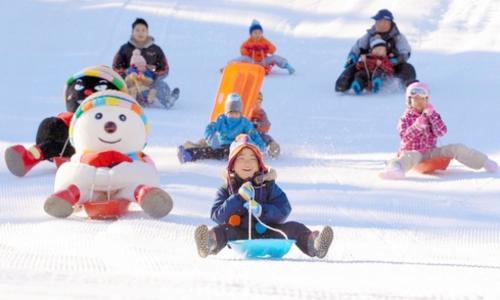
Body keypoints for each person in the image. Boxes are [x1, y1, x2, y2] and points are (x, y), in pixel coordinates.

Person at [194, 134, 334, 258]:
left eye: (252, 159)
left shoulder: (267, 186)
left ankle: (314, 244)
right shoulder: (227, 188)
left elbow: (284, 209)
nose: (247, 163)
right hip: (239, 233)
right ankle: (208, 243)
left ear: (259, 165)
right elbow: (217, 215)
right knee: (222, 231)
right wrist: (238, 198)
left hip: (269, 231)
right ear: (232, 166)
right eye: (241, 158)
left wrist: (262, 210)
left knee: (295, 227)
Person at [379, 82, 498, 179]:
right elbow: (404, 137)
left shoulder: (433, 114)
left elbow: (441, 132)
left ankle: (484, 162)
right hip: (413, 152)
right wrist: (417, 126)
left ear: (427, 100)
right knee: (411, 156)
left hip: (431, 152)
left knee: (457, 148)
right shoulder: (405, 117)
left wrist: (432, 117)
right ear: (409, 101)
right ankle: (395, 168)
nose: (419, 102)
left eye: (422, 99)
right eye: (416, 99)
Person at [335, 9, 417, 93]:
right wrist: (352, 56)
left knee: (407, 67)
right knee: (354, 67)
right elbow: (358, 46)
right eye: (377, 21)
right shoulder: (370, 35)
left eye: (379, 21)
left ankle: (408, 83)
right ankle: (343, 83)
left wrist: (396, 60)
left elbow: (405, 52)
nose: (377, 24)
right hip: (369, 63)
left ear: (387, 23)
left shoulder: (397, 37)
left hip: (392, 64)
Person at [177, 93, 265, 163]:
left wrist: (260, 148)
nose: (233, 116)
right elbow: (210, 127)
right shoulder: (222, 119)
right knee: (208, 150)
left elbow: (254, 135)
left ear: (240, 112)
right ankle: (188, 154)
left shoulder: (244, 122)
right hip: (220, 145)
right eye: (231, 113)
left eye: (236, 113)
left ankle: (190, 152)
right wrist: (210, 137)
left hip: (236, 148)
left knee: (218, 152)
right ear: (226, 112)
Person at [112, 18, 179, 108]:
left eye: (143, 30)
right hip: (131, 80)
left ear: (147, 32)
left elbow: (164, 68)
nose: (140, 33)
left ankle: (167, 100)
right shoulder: (124, 49)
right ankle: (122, 101)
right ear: (132, 32)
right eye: (137, 30)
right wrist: (127, 72)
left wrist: (150, 70)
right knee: (119, 84)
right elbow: (116, 66)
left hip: (149, 81)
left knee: (159, 84)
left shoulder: (155, 50)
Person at [229, 20, 295, 75]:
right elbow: (242, 49)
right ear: (251, 34)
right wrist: (248, 49)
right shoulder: (248, 42)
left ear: (262, 33)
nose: (257, 35)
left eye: (259, 33)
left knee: (275, 57)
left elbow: (273, 48)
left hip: (263, 60)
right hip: (252, 61)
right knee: (242, 58)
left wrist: (267, 48)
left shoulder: (264, 41)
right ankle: (229, 66)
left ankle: (286, 65)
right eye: (255, 33)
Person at [250, 92, 280, 157]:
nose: (257, 104)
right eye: (255, 102)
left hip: (259, 133)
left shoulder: (261, 113)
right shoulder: (248, 111)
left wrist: (259, 126)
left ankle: (273, 148)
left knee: (266, 138)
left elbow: (266, 124)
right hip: (249, 134)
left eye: (259, 102)